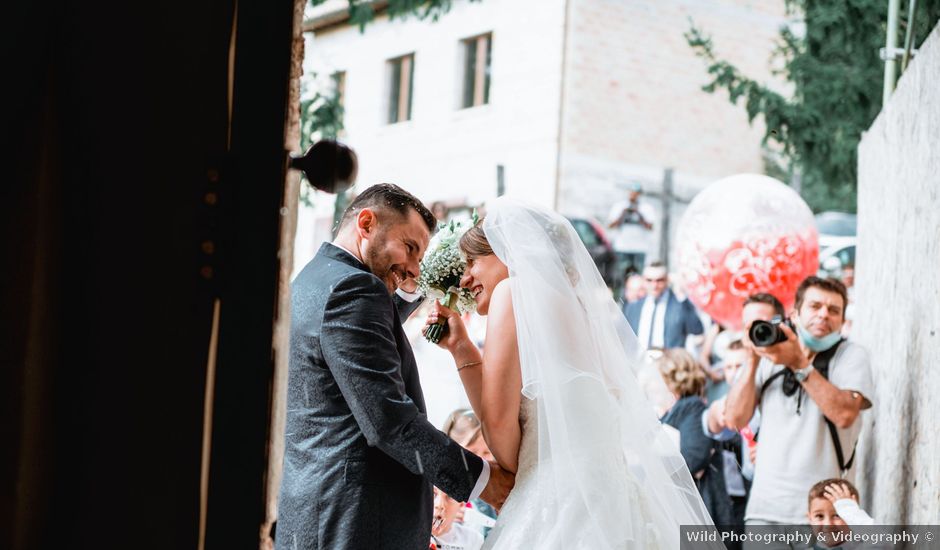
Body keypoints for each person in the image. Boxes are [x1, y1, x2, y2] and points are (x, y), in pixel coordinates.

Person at [426, 198, 719, 548]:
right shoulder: (585, 318)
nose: (466, 276)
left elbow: (501, 434)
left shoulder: (511, 291)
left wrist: (464, 356)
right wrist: (463, 348)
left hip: (559, 505)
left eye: (473, 261)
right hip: (613, 501)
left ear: (510, 252)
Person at [276, 184, 513, 550]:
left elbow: (361, 341)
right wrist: (483, 481)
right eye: (411, 248)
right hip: (354, 524)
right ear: (366, 223)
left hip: (320, 510)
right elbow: (389, 422)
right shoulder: (354, 290)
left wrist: (420, 286)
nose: (415, 267)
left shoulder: (316, 278)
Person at [724, 277, 874, 527]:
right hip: (764, 511)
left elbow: (845, 415)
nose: (824, 315)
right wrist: (752, 358)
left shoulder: (851, 356)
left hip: (826, 515)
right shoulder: (769, 356)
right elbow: (734, 419)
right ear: (794, 315)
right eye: (815, 307)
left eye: (834, 310)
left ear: (842, 321)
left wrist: (799, 365)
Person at [656, 349, 734, 526]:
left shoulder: (692, 407)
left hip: (702, 509)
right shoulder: (673, 411)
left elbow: (695, 457)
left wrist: (655, 466)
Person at [624, 261, 704, 351]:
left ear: (667, 280)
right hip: (639, 362)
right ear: (643, 280)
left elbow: (697, 329)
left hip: (669, 363)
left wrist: (682, 294)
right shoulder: (633, 308)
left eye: (659, 280)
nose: (654, 285)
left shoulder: (679, 305)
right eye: (649, 280)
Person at [607, 182, 656, 277]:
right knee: (620, 277)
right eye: (632, 192)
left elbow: (650, 227)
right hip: (622, 247)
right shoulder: (620, 206)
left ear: (640, 194)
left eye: (636, 193)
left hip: (640, 248)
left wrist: (639, 214)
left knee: (639, 277)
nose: (634, 195)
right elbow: (611, 225)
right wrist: (623, 214)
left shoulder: (646, 208)